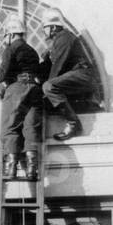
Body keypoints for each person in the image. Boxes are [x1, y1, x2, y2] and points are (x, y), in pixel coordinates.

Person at [0, 15, 43, 180]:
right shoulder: (32, 51)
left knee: (10, 127)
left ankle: (11, 169)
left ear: (9, 34)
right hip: (35, 90)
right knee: (31, 128)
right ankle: (32, 170)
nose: (5, 41)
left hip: (17, 90)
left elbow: (2, 74)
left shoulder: (11, 49)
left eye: (5, 37)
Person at [38, 8, 97, 141]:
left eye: (44, 27)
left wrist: (45, 90)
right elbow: (49, 66)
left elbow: (58, 67)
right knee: (46, 90)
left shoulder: (65, 38)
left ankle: (73, 124)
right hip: (76, 76)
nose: (43, 31)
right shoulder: (57, 41)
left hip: (83, 75)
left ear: (53, 27)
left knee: (48, 87)